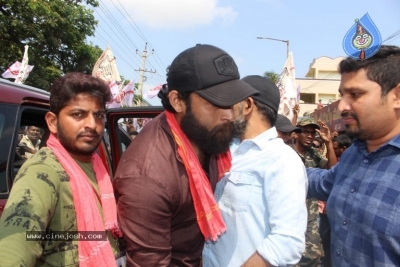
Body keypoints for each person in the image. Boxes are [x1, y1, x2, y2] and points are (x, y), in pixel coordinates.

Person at [113, 44, 259, 266]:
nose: (229, 115)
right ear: (177, 101)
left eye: (231, 102)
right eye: (215, 102)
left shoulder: (204, 135)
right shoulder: (149, 178)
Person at [0, 72, 123, 266]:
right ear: (52, 122)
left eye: (98, 115)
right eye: (78, 114)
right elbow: (14, 247)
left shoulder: (96, 166)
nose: (92, 124)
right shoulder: (43, 171)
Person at [307, 45, 400, 266]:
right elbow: (321, 182)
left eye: (355, 94)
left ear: (397, 96)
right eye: (342, 95)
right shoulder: (355, 154)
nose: (342, 106)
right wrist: (275, 164)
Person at [202, 75, 307, 266]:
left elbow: (287, 242)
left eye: (230, 103)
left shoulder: (281, 160)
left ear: (248, 105)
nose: (224, 110)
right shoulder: (227, 151)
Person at [292, 117, 337, 267]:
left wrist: (329, 143)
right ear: (297, 133)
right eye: (306, 132)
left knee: (312, 254)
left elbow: (332, 171)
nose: (310, 136)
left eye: (312, 133)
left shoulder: (313, 153)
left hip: (309, 211)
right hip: (289, 207)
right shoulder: (287, 151)